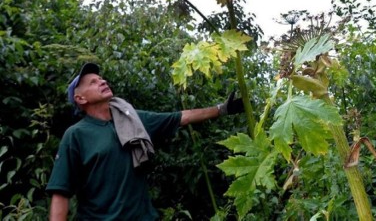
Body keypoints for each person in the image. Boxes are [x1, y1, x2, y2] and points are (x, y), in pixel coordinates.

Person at [46, 62, 244, 220]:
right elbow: (60, 193)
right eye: (93, 82)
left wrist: (222, 109)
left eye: (101, 78)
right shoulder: (76, 135)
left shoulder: (132, 120)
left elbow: (180, 117)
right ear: (80, 99)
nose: (102, 81)